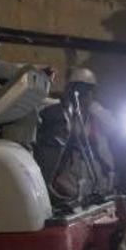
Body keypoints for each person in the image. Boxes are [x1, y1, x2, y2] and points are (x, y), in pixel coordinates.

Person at [37, 68, 115, 205]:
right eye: (80, 89)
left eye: (88, 90)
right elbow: (44, 105)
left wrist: (92, 106)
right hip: (69, 179)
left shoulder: (97, 114)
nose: (85, 94)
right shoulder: (63, 112)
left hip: (98, 180)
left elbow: (114, 126)